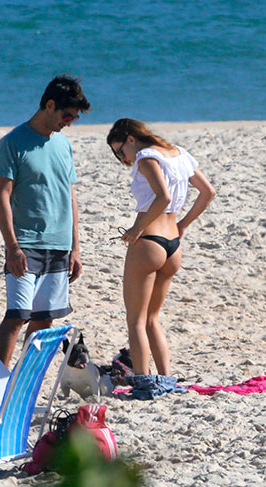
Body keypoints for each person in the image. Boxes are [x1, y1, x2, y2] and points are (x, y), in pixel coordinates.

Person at [106, 118, 216, 396]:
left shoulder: (146, 156)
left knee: (136, 320)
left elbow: (163, 197)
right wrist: (183, 226)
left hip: (149, 241)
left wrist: (137, 228)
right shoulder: (179, 154)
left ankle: (143, 383)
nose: (123, 158)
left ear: (131, 138)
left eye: (120, 151)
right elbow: (208, 193)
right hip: (173, 243)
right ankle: (167, 380)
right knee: (153, 318)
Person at [0, 75, 91, 367]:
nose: (70, 122)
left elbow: (70, 197)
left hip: (59, 245)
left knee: (44, 321)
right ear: (50, 105)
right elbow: (2, 197)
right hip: (26, 243)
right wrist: (12, 248)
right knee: (18, 316)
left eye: (75, 117)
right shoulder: (13, 143)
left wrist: (76, 248)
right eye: (68, 115)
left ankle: (22, 382)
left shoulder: (63, 145)